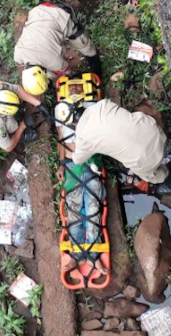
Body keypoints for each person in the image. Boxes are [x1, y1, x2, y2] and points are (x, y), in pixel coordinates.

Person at [55, 95, 107, 275]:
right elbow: (61, 140)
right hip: (71, 165)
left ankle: (92, 255)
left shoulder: (91, 110)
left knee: (93, 208)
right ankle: (77, 254)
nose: (74, 87)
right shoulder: (60, 112)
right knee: (74, 210)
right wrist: (61, 165)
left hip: (90, 162)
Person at [72, 99, 169, 184]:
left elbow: (77, 160)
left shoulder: (82, 139)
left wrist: (73, 145)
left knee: (151, 176)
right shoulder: (102, 104)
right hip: (156, 133)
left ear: (72, 123)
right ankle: (167, 148)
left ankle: (168, 175)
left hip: (145, 161)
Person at [14, 3, 102, 79]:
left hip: (58, 15)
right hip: (37, 12)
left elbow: (68, 72)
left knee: (83, 45)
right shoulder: (17, 55)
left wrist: (72, 76)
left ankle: (95, 65)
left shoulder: (56, 63)